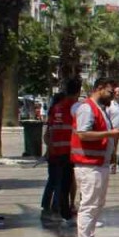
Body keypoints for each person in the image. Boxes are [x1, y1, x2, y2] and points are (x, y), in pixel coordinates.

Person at [70, 78, 119, 237]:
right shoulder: (87, 108)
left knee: (97, 203)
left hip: (99, 163)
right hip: (88, 165)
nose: (112, 96)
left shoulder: (101, 109)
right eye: (110, 92)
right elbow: (83, 134)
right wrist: (110, 134)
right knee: (89, 204)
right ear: (99, 89)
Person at [41, 80, 79, 225]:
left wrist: (49, 148)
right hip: (68, 152)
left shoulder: (55, 108)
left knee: (55, 180)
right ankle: (63, 212)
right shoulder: (74, 108)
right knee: (65, 183)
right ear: (77, 92)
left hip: (54, 151)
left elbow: (49, 130)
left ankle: (52, 207)